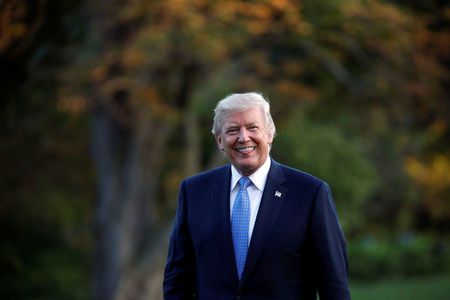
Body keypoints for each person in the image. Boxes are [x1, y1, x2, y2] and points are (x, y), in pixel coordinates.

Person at [163, 92, 351, 299]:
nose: (244, 137)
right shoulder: (194, 191)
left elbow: (333, 284)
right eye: (233, 130)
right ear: (219, 141)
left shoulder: (310, 193)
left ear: (270, 134)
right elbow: (177, 278)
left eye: (253, 128)